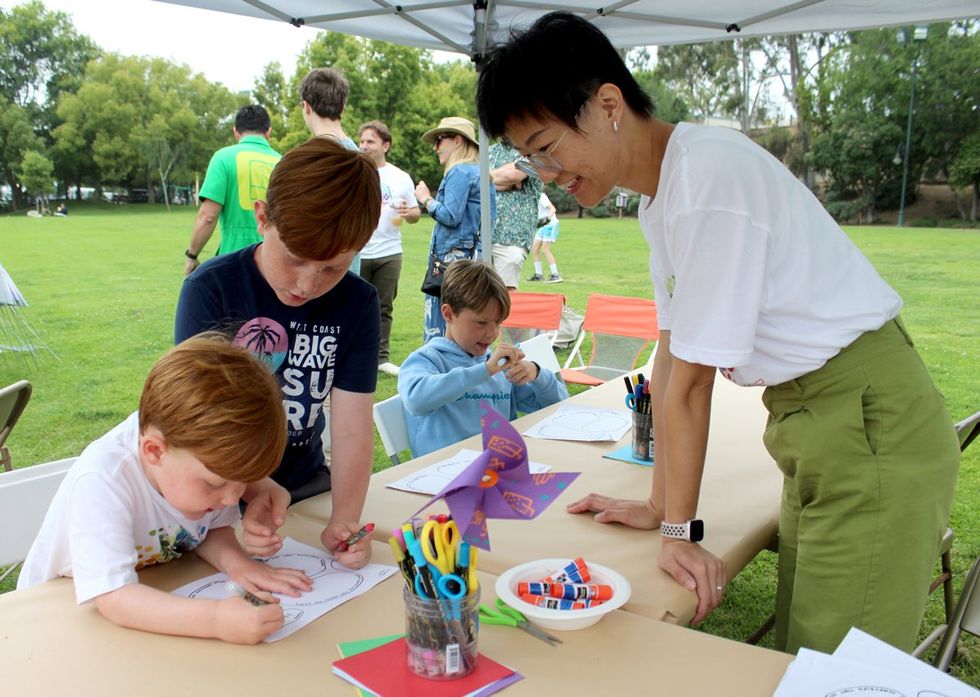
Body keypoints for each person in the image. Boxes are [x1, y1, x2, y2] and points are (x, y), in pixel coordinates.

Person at [476, 12, 959, 655]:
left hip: (865, 422)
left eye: (546, 145)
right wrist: (657, 507)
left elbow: (694, 385)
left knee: (838, 669)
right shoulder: (662, 194)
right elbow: (672, 361)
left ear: (608, 105)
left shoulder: (705, 178)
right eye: (529, 158)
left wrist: (679, 531)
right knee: (805, 646)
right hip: (826, 418)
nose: (545, 171)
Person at [17, 334, 313, 644]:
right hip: (47, 622)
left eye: (241, 483)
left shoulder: (198, 460)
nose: (232, 498)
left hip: (144, 596)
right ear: (154, 451)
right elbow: (114, 596)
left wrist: (239, 565)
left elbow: (206, 532)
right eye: (216, 484)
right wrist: (215, 621)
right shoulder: (104, 479)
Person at [175, 137, 382, 566]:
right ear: (262, 218)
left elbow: (351, 428)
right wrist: (252, 488)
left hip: (307, 487)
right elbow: (197, 423)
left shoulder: (358, 302)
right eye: (295, 258)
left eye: (333, 269)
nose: (307, 285)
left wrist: (344, 520)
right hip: (217, 495)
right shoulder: (210, 290)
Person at [398, 259, 568, 457]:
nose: (492, 333)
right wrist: (484, 371)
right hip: (443, 476)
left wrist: (537, 374)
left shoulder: (500, 368)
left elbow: (558, 408)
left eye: (498, 322)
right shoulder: (427, 360)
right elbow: (416, 401)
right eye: (481, 322)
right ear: (448, 314)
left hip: (499, 469)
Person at [415, 116, 494, 341]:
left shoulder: (459, 172)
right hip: (475, 261)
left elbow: (450, 216)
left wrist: (426, 199)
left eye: (440, 140)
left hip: (450, 264)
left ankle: (434, 373)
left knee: (439, 329)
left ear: (457, 140)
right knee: (465, 328)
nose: (435, 147)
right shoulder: (482, 173)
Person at [184, 105, 280, 275]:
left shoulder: (223, 158)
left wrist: (192, 255)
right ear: (268, 132)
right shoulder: (283, 163)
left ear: (236, 132)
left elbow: (208, 216)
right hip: (276, 263)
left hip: (233, 262)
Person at [358, 120, 421, 377]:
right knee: (354, 306)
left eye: (369, 141)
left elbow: (416, 213)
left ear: (386, 145)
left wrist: (409, 213)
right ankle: (352, 354)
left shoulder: (400, 177)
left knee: (384, 307)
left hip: (389, 253)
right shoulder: (353, 171)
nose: (363, 146)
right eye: (361, 141)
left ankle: (380, 358)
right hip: (357, 251)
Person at [300, 67, 362, 275]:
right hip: (348, 275)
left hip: (307, 279)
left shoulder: (303, 160)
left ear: (306, 106)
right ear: (342, 107)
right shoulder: (363, 162)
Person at [489, 141, 542, 288]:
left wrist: (487, 180)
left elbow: (513, 174)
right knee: (478, 297)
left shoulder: (533, 150)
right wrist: (502, 182)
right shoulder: (485, 152)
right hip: (481, 238)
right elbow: (473, 181)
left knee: (506, 297)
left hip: (512, 238)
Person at [529, 192, 562, 283]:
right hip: (543, 226)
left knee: (545, 249)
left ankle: (555, 275)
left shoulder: (541, 196)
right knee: (534, 249)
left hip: (550, 225)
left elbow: (553, 209)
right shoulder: (532, 196)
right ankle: (538, 275)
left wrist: (547, 218)